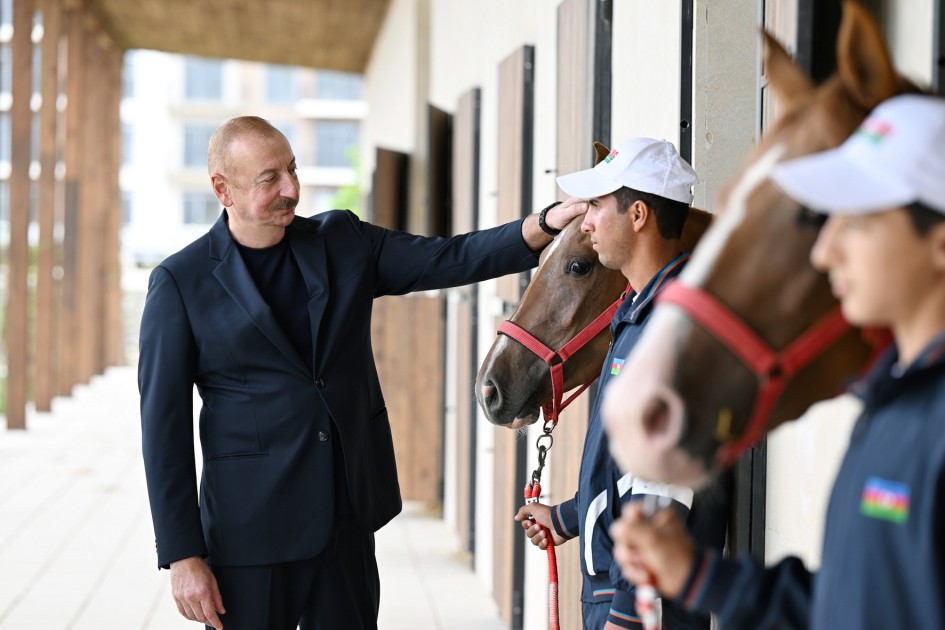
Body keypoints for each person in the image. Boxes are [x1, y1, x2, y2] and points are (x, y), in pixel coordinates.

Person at [137, 115, 587, 630]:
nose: (291, 189)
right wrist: (182, 556)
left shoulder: (341, 241)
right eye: (269, 179)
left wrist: (545, 224)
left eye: (292, 169)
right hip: (249, 533)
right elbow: (162, 430)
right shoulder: (180, 282)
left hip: (345, 519)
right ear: (223, 189)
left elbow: (448, 257)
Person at [609, 94, 945, 629]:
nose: (824, 250)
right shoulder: (891, 399)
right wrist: (697, 576)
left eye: (858, 221)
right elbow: (850, 602)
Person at [513, 137, 730, 630]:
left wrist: (630, 616)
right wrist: (567, 517)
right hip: (616, 594)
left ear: (637, 216)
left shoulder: (676, 329)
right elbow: (630, 469)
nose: (585, 223)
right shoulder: (639, 313)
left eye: (594, 207)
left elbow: (664, 495)